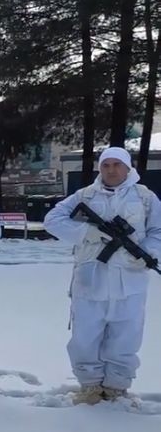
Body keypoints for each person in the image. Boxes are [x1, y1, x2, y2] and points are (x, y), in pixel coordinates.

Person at [44, 146, 161, 404]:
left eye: (117, 165)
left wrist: (148, 253)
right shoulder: (86, 194)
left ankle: (117, 386)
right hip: (90, 278)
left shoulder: (144, 197)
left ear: (128, 168)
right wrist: (87, 232)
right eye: (106, 165)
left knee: (126, 336)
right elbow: (53, 220)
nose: (111, 170)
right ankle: (89, 387)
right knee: (85, 336)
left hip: (130, 280)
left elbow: (158, 230)